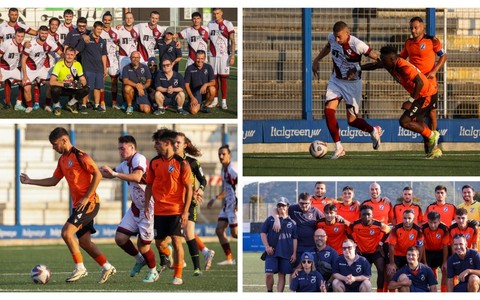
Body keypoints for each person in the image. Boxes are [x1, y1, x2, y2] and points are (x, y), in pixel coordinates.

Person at [19, 127, 116, 284]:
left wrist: (86, 197)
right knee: (84, 242)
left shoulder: (80, 156)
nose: (53, 148)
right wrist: (31, 181)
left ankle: (80, 268)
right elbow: (54, 180)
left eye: (55, 144)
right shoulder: (62, 160)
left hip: (89, 203)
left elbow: (97, 174)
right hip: (79, 205)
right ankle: (107, 266)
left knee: (66, 233)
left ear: (64, 140)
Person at [312, 21, 381, 159]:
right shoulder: (332, 38)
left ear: (347, 33)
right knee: (328, 111)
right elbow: (328, 46)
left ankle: (373, 130)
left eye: (339, 37)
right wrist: (317, 59)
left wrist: (358, 68)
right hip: (336, 81)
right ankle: (339, 147)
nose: (337, 39)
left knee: (352, 121)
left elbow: (377, 59)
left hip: (352, 85)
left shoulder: (358, 45)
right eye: (335, 36)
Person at [99, 135, 158, 283]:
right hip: (136, 208)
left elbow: (137, 177)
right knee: (120, 238)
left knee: (143, 246)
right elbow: (110, 174)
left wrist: (114, 173)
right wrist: (92, 171)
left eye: (123, 148)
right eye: (119, 148)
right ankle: (139, 260)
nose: (120, 151)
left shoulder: (139, 158)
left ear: (132, 147)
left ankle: (154, 271)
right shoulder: (125, 164)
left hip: (148, 208)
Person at [144, 128, 193, 285]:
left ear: (167, 143)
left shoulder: (182, 164)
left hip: (176, 210)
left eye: (157, 144)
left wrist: (185, 212)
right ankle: (168, 252)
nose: (155, 147)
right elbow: (149, 185)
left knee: (177, 241)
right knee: (159, 244)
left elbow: (189, 188)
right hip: (159, 210)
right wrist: (146, 205)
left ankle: (177, 275)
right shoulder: (154, 162)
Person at [373, 46, 439, 158]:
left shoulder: (403, 66)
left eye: (384, 60)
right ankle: (433, 151)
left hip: (425, 95)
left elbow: (419, 83)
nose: (382, 62)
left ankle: (432, 135)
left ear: (392, 59)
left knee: (404, 121)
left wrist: (410, 101)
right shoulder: (393, 64)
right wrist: (359, 68)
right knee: (419, 122)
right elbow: (375, 66)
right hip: (422, 94)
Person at [400, 16, 447, 158]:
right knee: (419, 119)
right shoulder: (408, 43)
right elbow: (401, 58)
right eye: (411, 28)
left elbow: (443, 56)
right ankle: (430, 145)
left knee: (432, 113)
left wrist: (434, 71)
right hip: (417, 86)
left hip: (430, 85)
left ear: (422, 28)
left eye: (416, 27)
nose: (413, 30)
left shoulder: (432, 40)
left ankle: (435, 146)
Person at [173, 132, 209, 275]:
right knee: (170, 236)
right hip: (173, 203)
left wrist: (200, 190)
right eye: (174, 142)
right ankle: (173, 260)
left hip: (189, 202)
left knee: (188, 233)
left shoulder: (193, 162)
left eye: (178, 143)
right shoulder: (169, 161)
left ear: (185, 145)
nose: (175, 145)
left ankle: (197, 267)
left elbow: (203, 180)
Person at [273, 192, 324, 267]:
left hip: (311, 246)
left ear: (311, 202)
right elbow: (275, 209)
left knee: (311, 269)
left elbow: (325, 219)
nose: (304, 206)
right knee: (294, 270)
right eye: (301, 203)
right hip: (297, 246)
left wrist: (337, 217)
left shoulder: (315, 211)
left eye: (306, 203)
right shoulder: (293, 209)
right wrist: (276, 219)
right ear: (298, 202)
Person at [207, 144, 238, 266]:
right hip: (227, 206)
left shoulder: (232, 170)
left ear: (229, 155)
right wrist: (215, 198)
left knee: (235, 234)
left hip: (233, 205)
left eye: (223, 154)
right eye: (219, 154)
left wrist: (238, 203)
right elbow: (228, 189)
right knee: (219, 230)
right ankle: (229, 258)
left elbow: (238, 186)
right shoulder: (224, 169)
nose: (221, 156)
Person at [21, 25, 63, 113]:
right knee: (26, 87)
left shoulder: (50, 42)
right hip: (29, 69)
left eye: (45, 33)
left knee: (51, 84)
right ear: (38, 33)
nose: (44, 35)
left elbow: (60, 53)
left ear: (47, 34)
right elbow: (23, 59)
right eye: (42, 33)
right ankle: (29, 106)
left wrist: (67, 58)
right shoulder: (30, 44)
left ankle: (47, 105)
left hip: (41, 68)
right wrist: (24, 75)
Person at [349, 204, 390, 292]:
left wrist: (380, 244)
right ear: (360, 215)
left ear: (372, 215)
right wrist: (355, 245)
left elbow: (388, 231)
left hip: (375, 251)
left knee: (381, 270)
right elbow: (348, 232)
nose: (366, 217)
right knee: (362, 273)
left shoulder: (379, 224)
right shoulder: (355, 225)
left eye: (369, 214)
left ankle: (379, 293)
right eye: (364, 214)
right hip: (362, 252)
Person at [261, 197, 298, 292]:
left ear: (288, 206)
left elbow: (294, 239)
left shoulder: (293, 223)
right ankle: (269, 292)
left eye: (283, 205)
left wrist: (294, 253)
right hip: (271, 252)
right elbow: (263, 233)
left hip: (286, 253)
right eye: (279, 205)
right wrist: (267, 247)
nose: (281, 207)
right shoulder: (270, 219)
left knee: (282, 275)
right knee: (269, 274)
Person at [76, 21, 108, 113]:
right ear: (94, 28)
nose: (99, 31)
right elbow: (77, 50)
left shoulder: (102, 41)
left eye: (101, 29)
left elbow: (104, 55)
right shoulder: (86, 39)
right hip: (88, 68)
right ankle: (83, 105)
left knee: (98, 87)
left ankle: (97, 105)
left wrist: (105, 68)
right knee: (87, 88)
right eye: (98, 29)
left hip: (99, 68)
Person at [207, 8, 236, 110]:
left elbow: (232, 41)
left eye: (218, 13)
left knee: (223, 78)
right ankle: (215, 100)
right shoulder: (210, 24)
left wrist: (232, 55)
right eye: (214, 13)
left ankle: (224, 101)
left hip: (224, 56)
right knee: (214, 79)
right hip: (213, 56)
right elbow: (207, 40)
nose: (216, 15)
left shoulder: (228, 24)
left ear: (222, 13)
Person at [386, 209, 425, 285]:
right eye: (405, 218)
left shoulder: (418, 231)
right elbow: (391, 246)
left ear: (413, 219)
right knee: (390, 272)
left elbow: (420, 247)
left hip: (410, 256)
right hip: (397, 255)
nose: (407, 220)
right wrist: (392, 263)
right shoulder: (395, 229)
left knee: (414, 275)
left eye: (409, 218)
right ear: (402, 218)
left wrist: (418, 262)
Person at [49, 47, 90, 116]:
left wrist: (80, 84)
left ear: (74, 56)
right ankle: (57, 106)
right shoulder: (59, 64)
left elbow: (83, 80)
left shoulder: (77, 64)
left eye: (71, 55)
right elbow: (52, 82)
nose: (69, 56)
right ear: (64, 54)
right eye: (67, 54)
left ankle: (70, 104)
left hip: (72, 87)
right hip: (62, 88)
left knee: (86, 89)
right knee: (54, 89)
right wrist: (65, 84)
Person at [422, 211, 449, 292]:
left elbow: (445, 246)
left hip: (440, 251)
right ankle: (431, 291)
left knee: (445, 270)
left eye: (435, 223)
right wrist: (424, 262)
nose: (433, 225)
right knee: (426, 271)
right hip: (428, 252)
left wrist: (445, 262)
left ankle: (443, 291)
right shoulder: (423, 228)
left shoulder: (444, 229)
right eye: (430, 222)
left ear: (439, 221)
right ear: (427, 221)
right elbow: (422, 246)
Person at [100, 11, 122, 109]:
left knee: (114, 82)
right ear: (102, 20)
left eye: (109, 20)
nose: (107, 22)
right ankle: (102, 102)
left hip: (113, 60)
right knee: (101, 82)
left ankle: (114, 103)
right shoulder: (99, 31)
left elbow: (120, 43)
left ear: (111, 21)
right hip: (101, 61)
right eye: (105, 20)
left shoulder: (116, 32)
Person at [0, 27, 24, 110]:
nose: (20, 38)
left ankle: (18, 103)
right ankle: (7, 102)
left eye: (22, 36)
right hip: (3, 69)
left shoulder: (21, 45)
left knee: (25, 83)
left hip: (13, 69)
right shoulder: (6, 43)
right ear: (14, 35)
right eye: (18, 36)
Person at [117, 12, 139, 76]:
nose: (129, 20)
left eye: (130, 18)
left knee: (134, 76)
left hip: (134, 57)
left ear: (133, 19)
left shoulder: (137, 30)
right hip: (123, 56)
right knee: (123, 77)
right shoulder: (119, 29)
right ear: (124, 19)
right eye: (127, 18)